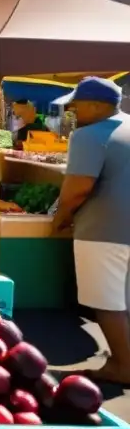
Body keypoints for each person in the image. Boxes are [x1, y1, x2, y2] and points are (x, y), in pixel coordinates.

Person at [54, 77, 130, 384]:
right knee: (125, 299)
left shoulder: (88, 135)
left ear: (98, 106)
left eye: (77, 104)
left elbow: (78, 188)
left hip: (103, 229)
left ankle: (124, 367)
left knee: (107, 302)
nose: (72, 110)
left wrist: (60, 217)